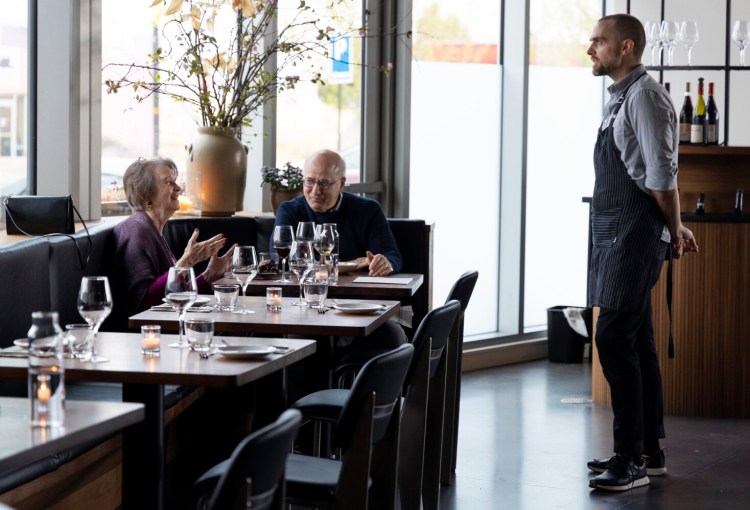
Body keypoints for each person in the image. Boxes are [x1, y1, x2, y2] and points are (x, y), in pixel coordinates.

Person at [585, 14, 698, 492]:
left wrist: (674, 228)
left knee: (611, 338)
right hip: (616, 231)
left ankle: (627, 459)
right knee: (638, 342)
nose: (590, 49)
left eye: (599, 41)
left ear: (626, 47)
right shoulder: (620, 98)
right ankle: (649, 451)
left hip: (633, 233)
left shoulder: (646, 97)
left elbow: (661, 176)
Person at [113, 157, 235, 326]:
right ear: (146, 196)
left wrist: (209, 275)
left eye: (175, 181)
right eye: (168, 182)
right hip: (148, 339)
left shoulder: (151, 229)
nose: (178, 188)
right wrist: (187, 261)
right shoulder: (135, 230)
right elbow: (143, 305)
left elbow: (175, 297)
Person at [274, 149, 402, 277]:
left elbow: (392, 256)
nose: (315, 191)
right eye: (310, 181)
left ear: (341, 184)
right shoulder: (289, 210)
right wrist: (351, 265)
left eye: (324, 183)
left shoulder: (369, 210)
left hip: (355, 293)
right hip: (303, 292)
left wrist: (385, 263)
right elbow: (281, 260)